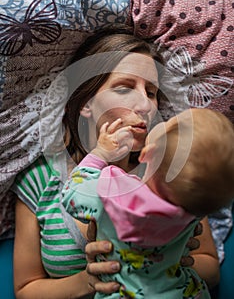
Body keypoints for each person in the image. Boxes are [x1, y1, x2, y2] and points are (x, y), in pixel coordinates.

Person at [12, 27, 219, 299]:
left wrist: (165, 262)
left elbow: (211, 267)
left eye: (152, 92)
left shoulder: (172, 171)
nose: (145, 105)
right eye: (124, 88)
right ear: (86, 102)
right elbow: (25, 290)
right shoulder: (40, 180)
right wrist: (89, 281)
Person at [62, 108, 234, 298]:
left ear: (148, 154)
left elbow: (73, 192)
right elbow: (209, 182)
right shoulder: (192, 207)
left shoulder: (110, 192)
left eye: (170, 122)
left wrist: (100, 154)